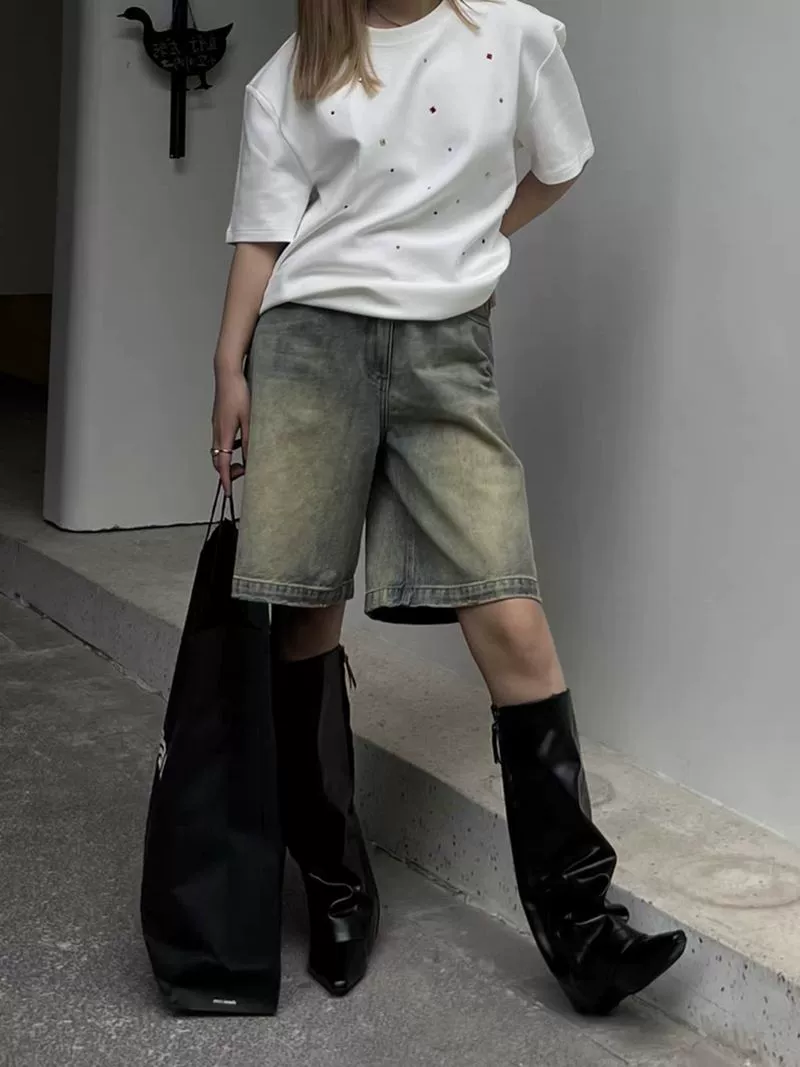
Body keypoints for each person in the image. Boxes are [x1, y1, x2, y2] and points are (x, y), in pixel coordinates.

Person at [211, 0, 686, 1015]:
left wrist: (465, 236)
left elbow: (557, 164)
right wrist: (228, 367)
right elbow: (263, 232)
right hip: (309, 344)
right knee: (303, 614)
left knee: (509, 613)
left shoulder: (515, 37)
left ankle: (581, 926)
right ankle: (335, 890)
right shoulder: (295, 67)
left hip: (444, 352)